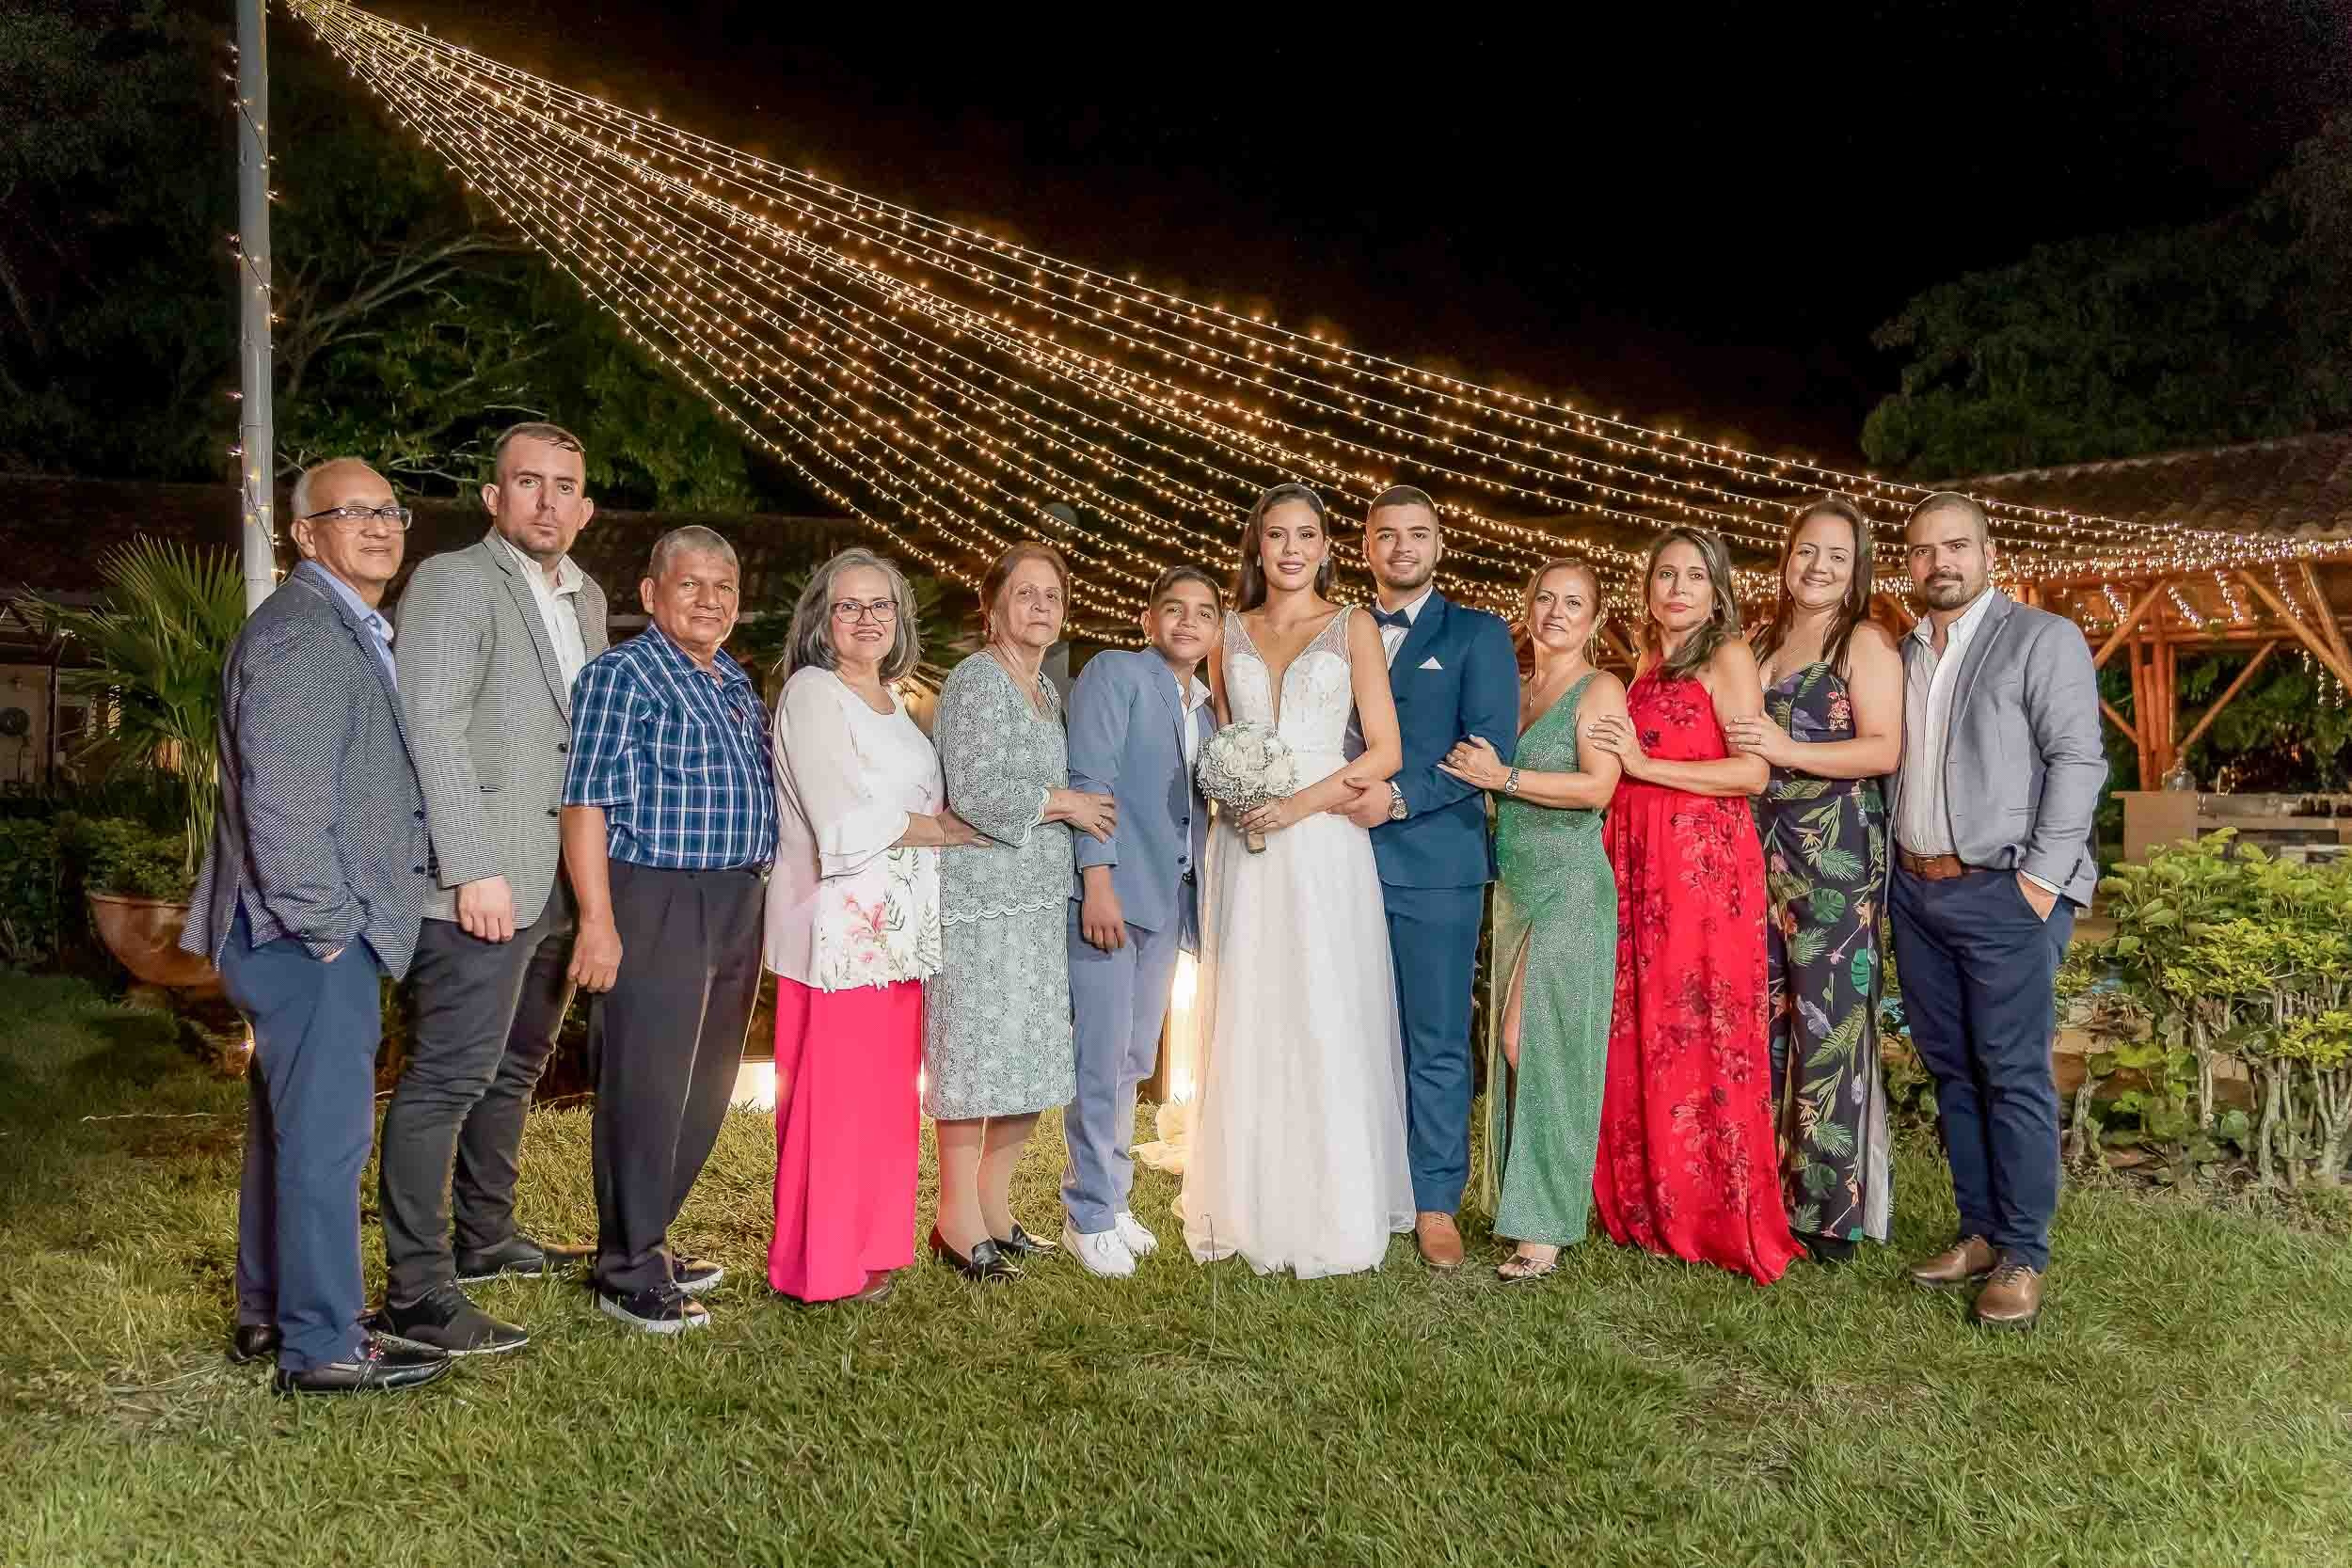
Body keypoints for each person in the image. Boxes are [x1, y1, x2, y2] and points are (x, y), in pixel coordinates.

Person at [182, 457, 448, 1395]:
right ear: (304, 532)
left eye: (390, 509)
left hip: (291, 930)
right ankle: (326, 1343)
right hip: (301, 932)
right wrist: (331, 928)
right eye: (352, 511)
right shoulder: (303, 636)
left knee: (292, 1134)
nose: (379, 525)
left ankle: (271, 1311)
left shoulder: (340, 626)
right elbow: (286, 812)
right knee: (328, 1143)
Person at [373, 421, 609, 1357]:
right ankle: (418, 1290)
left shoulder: (584, 595)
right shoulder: (454, 581)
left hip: (557, 872)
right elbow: (429, 722)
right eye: (528, 483)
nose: (547, 502)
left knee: (515, 1067)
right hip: (482, 877)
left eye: (564, 486)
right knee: (446, 1077)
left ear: (584, 507)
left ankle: (485, 1235)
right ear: (493, 498)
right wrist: (471, 864)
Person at [1180, 483, 1412, 1278]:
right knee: (1252, 1002)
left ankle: (1332, 1204)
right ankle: (1244, 1198)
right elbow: (1221, 737)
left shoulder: (1352, 627)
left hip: (1321, 838)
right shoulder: (1229, 634)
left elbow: (1384, 751)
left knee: (1322, 1001)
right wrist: (1238, 796)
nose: (1290, 549)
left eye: (1305, 535)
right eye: (1276, 535)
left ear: (1324, 546)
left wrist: (1299, 805)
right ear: (1258, 546)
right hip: (1244, 839)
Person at [1884, 492, 2105, 1329]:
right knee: (1951, 1067)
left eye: (1955, 546)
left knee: (2011, 1069)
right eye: (1922, 550)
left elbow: (2078, 759)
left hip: (2003, 888)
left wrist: (2040, 883)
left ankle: (2023, 1252)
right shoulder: (1903, 651)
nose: (1938, 562)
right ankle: (1979, 1230)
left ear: (1987, 552)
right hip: (1917, 888)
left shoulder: (2040, 639)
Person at [560, 525, 777, 1334]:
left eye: (724, 586)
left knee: (706, 1084)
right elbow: (585, 801)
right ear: (651, 594)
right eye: (691, 584)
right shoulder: (622, 676)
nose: (711, 599)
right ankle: (625, 1269)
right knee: (647, 1084)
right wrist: (598, 919)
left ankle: (642, 1237)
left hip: (733, 899)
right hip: (654, 894)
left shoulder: (732, 685)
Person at [1584, 527, 1802, 1286]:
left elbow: (1750, 771)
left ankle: (1714, 1210)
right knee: (1643, 1021)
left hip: (1700, 865)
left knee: (1699, 1024)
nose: (1677, 588)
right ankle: (1648, 1201)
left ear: (1717, 590)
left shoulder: (1728, 657)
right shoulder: (1646, 663)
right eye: (1665, 575)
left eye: (1694, 576)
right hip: (1637, 856)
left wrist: (1645, 763)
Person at [764, 548, 978, 1306]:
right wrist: (944, 831)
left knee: (885, 1104)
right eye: (848, 606)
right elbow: (842, 817)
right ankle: (817, 1265)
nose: (865, 618)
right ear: (822, 618)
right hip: (836, 930)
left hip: (899, 935)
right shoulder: (814, 693)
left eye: (880, 605)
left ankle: (872, 1246)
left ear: (900, 620)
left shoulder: (892, 698)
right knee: (832, 1105)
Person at [1330, 484, 1519, 1270]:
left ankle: (1436, 1198)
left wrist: (1401, 797)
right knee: (1345, 1031)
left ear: (1439, 544)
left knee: (1436, 1036)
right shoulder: (1336, 630)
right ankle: (1353, 1184)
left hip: (1436, 865)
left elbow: (1485, 750)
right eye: (1386, 535)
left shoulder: (1476, 634)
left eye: (1418, 534)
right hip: (1336, 863)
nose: (1402, 547)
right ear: (1365, 545)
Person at [924, 543, 1114, 1282]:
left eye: (1052, 595)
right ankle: (954, 1218)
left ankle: (995, 1210)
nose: (1041, 605)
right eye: (1025, 593)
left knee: (1029, 1062)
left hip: (1035, 905)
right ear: (993, 605)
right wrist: (1067, 802)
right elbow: (973, 787)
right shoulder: (976, 681)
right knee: (974, 1060)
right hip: (982, 904)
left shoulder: (1044, 690)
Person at [1724, 498, 1902, 1266]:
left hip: (1832, 853)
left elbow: (1884, 750)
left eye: (1835, 554)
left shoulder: (1862, 640)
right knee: (1756, 1015)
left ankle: (1828, 1215)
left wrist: (1785, 746)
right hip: (1754, 848)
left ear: (1856, 566)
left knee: (1828, 1024)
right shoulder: (1760, 638)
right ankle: (1756, 1190)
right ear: (1785, 556)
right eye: (1806, 551)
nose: (1818, 567)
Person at [1438, 559, 1626, 1281]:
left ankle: (1547, 1224)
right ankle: (1523, 1204)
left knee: (1532, 1040)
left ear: (1596, 618)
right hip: (1515, 888)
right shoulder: (1515, 689)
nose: (1555, 611)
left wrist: (1503, 779)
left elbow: (1597, 787)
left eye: (1573, 602)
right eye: (1545, 596)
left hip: (1572, 884)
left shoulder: (1599, 687)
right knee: (1518, 1042)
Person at [1060, 565, 1220, 1277]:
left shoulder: (1208, 709)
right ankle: (1087, 1211)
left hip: (1166, 898)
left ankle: (1115, 1198)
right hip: (1114, 896)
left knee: (1132, 1058)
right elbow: (1090, 778)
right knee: (1100, 1056)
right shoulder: (1115, 673)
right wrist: (1098, 880)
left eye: (1204, 612)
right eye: (1174, 609)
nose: (1188, 622)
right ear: (1149, 619)